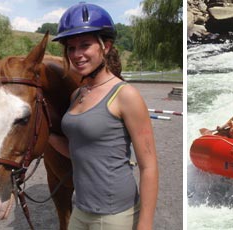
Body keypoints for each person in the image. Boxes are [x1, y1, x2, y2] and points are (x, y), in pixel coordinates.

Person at [47, 3, 158, 229]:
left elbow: (149, 166)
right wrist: (44, 134)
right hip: (81, 209)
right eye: (70, 48)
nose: (76, 54)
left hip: (115, 215)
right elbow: (78, 151)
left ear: (105, 47)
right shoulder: (77, 94)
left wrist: (145, 224)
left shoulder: (126, 95)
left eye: (85, 45)